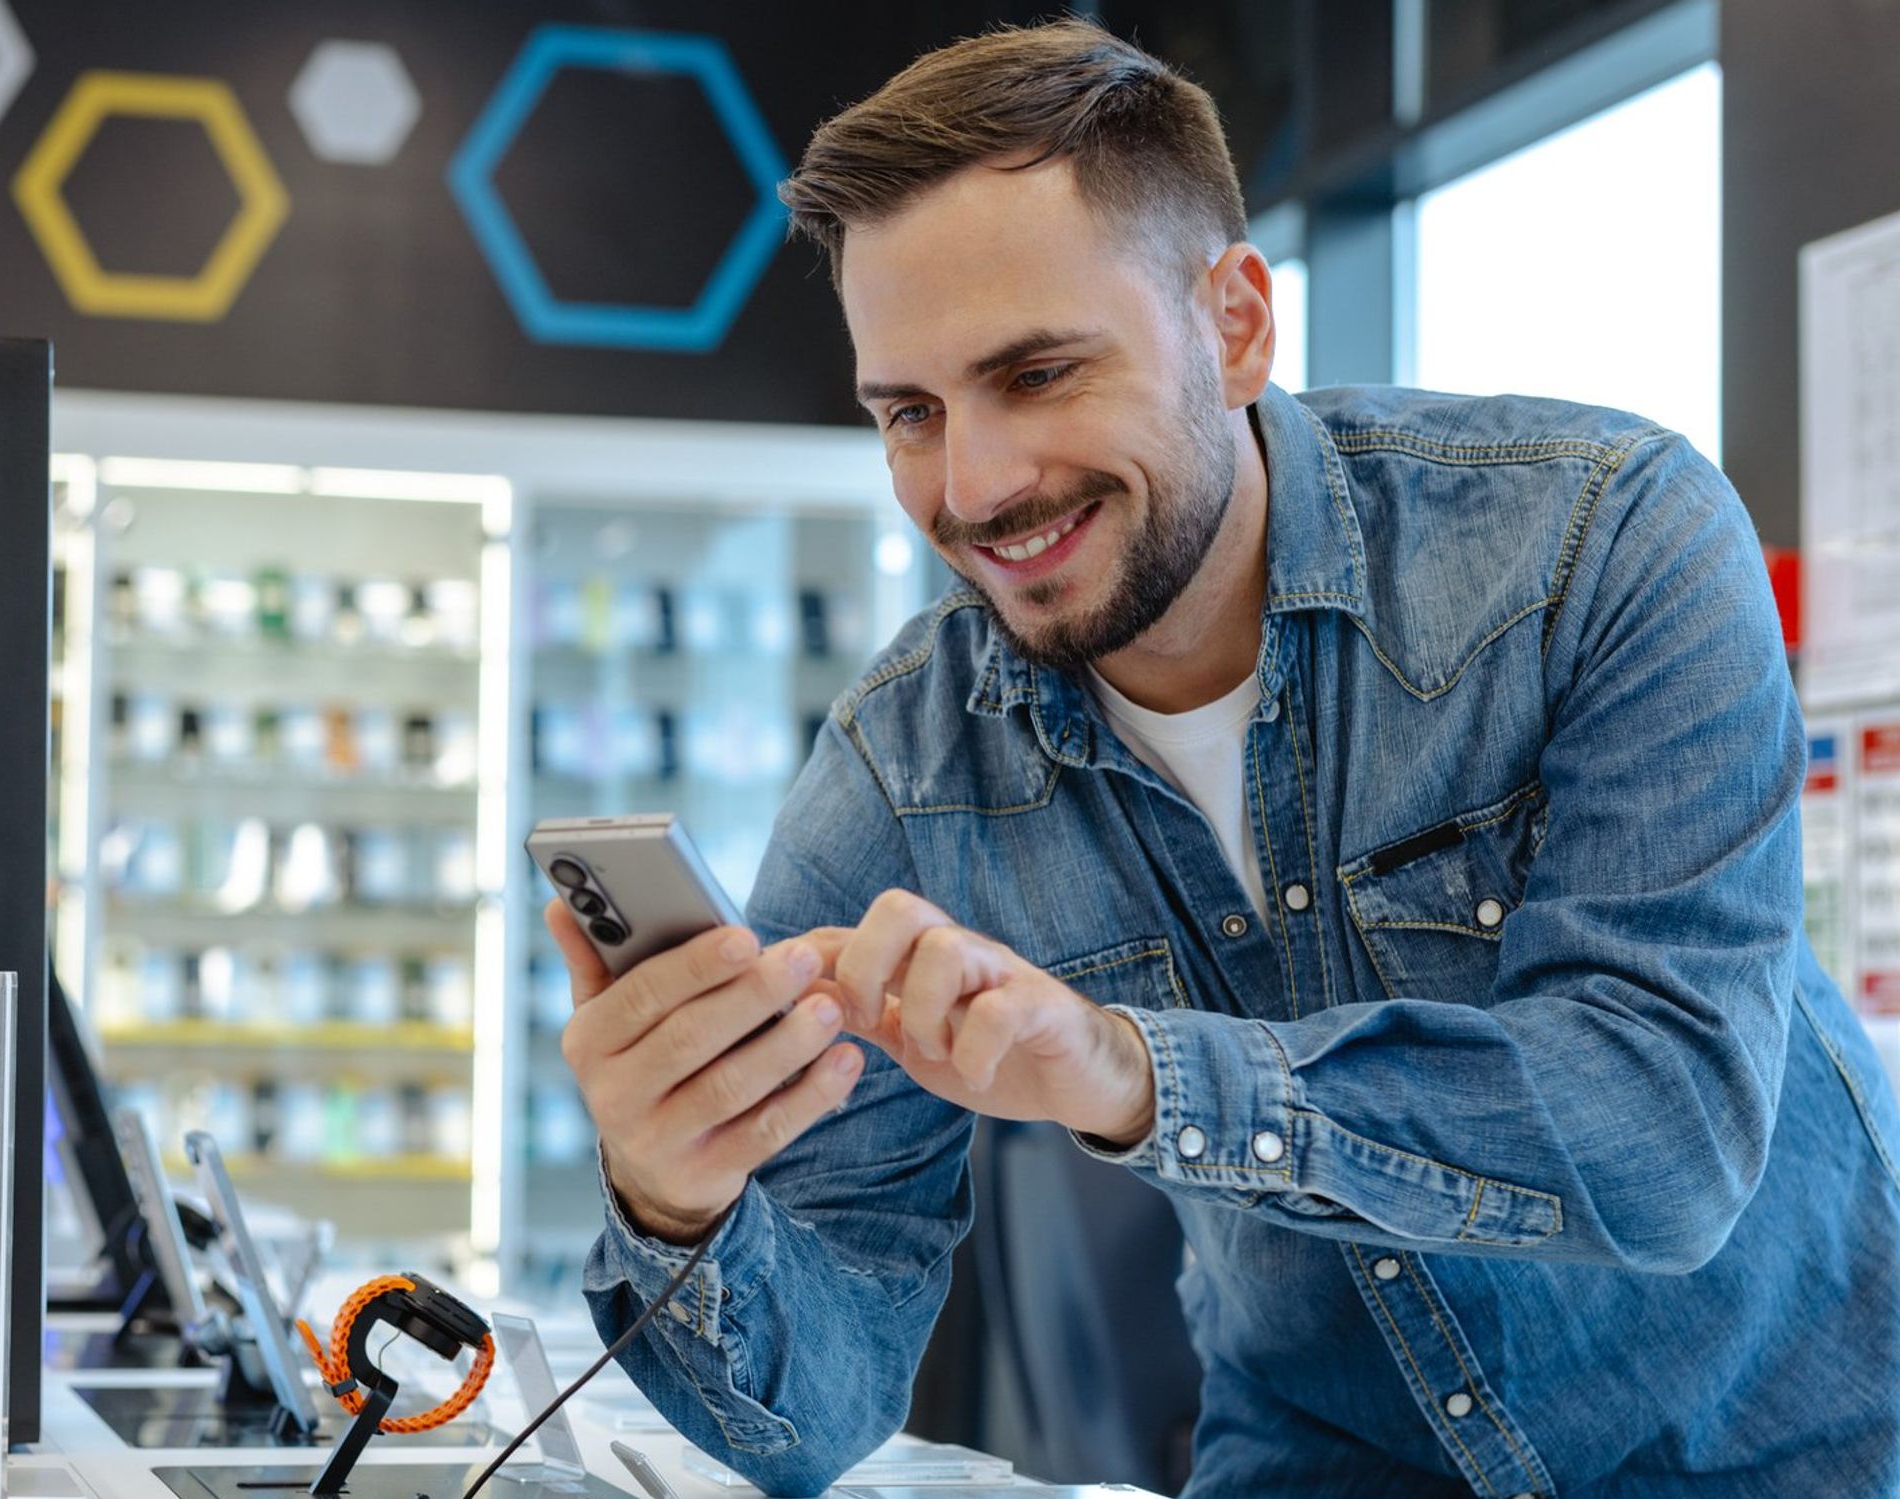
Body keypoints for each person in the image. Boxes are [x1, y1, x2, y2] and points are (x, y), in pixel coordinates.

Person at [546, 19, 1900, 1497]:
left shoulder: (1604, 545)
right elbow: (812, 1421)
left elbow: (1664, 1133)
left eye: (1042, 373)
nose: (976, 486)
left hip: (1803, 1439)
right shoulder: (906, 768)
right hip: (1332, 1454)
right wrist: (677, 1203)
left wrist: (1131, 1075)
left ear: (1238, 324)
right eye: (911, 415)